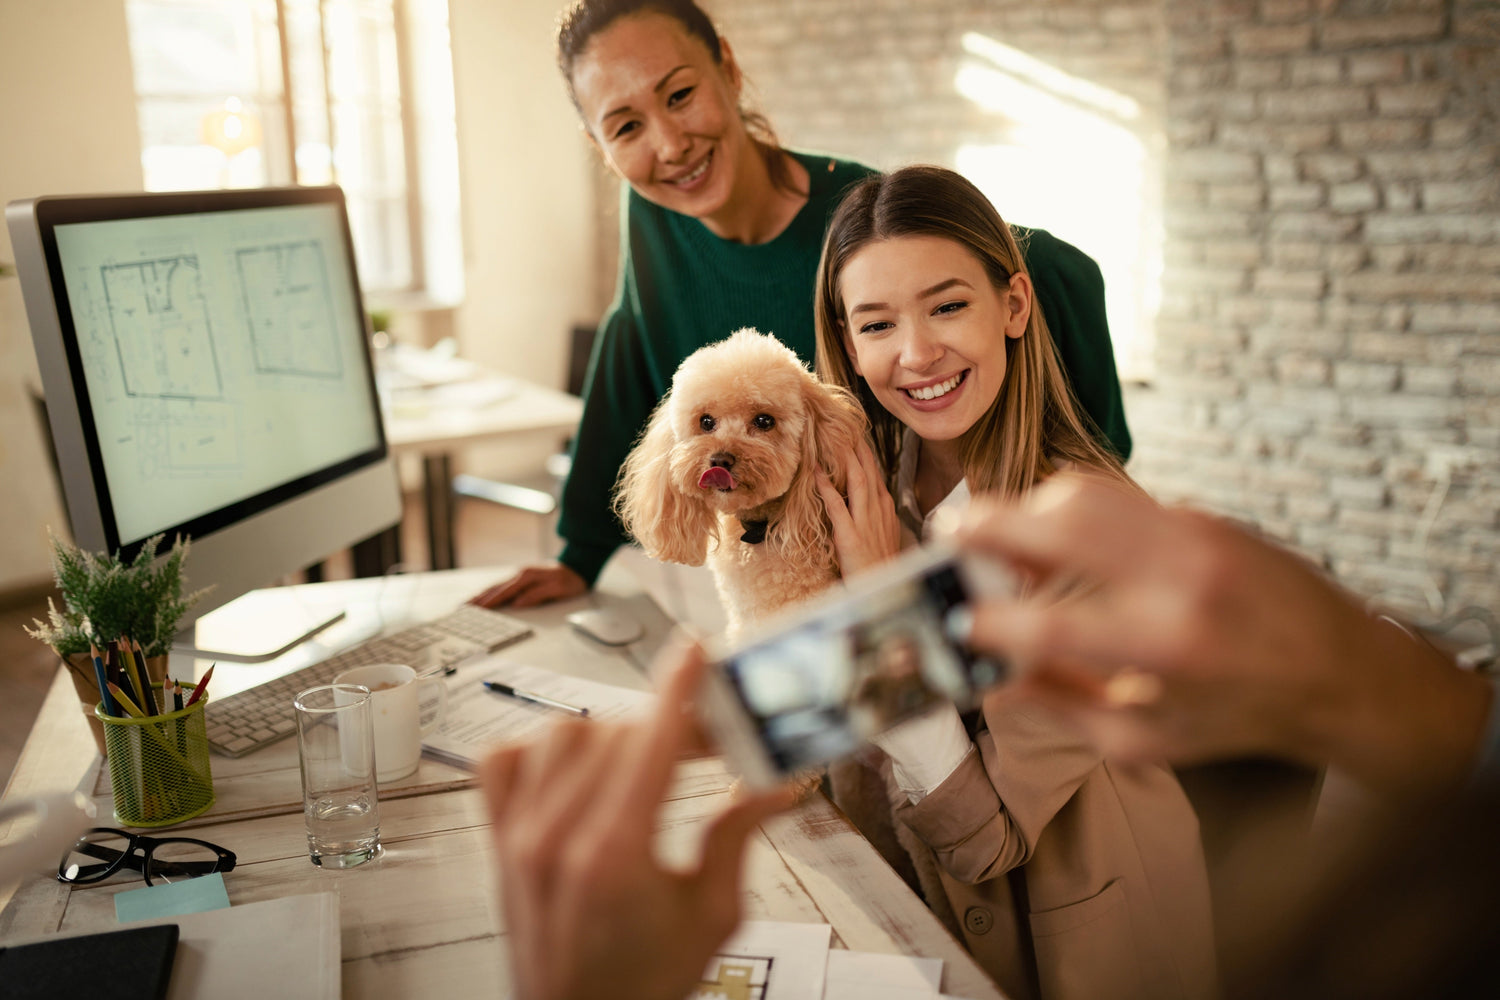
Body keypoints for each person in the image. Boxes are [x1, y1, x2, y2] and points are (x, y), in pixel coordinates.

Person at [470, 0, 1130, 611]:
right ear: (599, 145)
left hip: (903, 557)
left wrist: (1091, 462)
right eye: (626, 127)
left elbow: (1045, 267)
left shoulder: (854, 216)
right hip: (778, 574)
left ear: (726, 68)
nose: (669, 145)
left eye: (680, 95)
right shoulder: (650, 210)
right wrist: (578, 558)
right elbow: (630, 342)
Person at [804, 165, 1215, 1000]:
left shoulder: (1087, 532)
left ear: (1015, 307)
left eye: (948, 305)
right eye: (877, 323)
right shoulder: (874, 484)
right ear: (849, 345)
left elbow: (986, 841)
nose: (917, 353)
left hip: (1074, 940)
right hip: (901, 906)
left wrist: (889, 612)